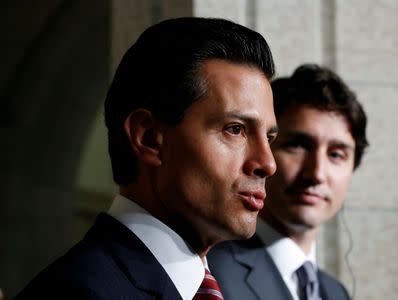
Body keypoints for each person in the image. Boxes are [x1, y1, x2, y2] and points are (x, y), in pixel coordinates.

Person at [15, 17, 278, 300]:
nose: (267, 163)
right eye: (235, 130)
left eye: (270, 138)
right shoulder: (77, 293)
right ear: (149, 138)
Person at [208, 64, 369, 300]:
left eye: (336, 154)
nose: (317, 173)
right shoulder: (210, 274)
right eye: (297, 145)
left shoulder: (336, 293)